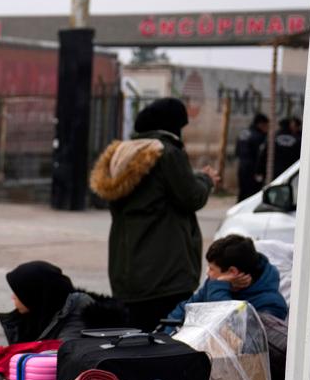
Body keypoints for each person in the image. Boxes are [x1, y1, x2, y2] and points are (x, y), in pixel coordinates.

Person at [90, 98, 218, 332]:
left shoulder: (123, 154)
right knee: (163, 344)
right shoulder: (167, 153)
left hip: (126, 272)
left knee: (135, 341)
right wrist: (205, 179)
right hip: (166, 273)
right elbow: (191, 197)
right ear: (174, 125)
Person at [164, 234, 288, 326]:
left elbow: (227, 325)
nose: (208, 273)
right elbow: (184, 310)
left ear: (232, 272)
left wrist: (219, 287)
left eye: (212, 269)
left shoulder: (271, 304)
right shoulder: (215, 284)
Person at [0, 260, 131, 344]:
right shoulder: (40, 312)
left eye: (18, 293)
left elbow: (56, 362)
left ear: (34, 295)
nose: (13, 297)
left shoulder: (77, 319)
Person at [235, 113, 270, 201]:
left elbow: (237, 151)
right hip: (253, 168)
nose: (267, 128)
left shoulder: (243, 133)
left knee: (242, 191)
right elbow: (261, 156)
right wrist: (259, 171)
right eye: (266, 126)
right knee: (252, 194)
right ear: (260, 124)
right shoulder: (259, 136)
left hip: (242, 166)